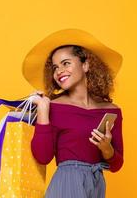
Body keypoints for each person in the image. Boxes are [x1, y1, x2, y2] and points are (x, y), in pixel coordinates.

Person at [22, 29, 124, 198]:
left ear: (86, 65)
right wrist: (42, 111)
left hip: (97, 183)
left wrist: (107, 148)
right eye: (55, 67)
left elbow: (117, 165)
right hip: (67, 184)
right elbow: (43, 156)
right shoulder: (53, 107)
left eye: (66, 63)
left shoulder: (111, 110)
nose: (59, 71)